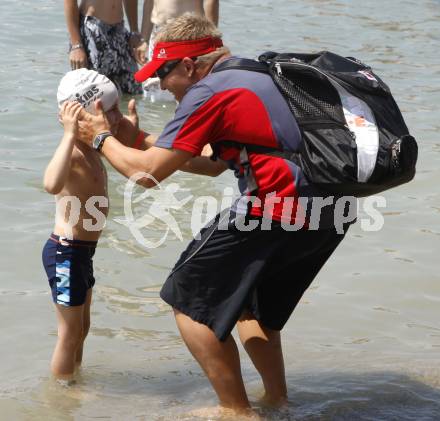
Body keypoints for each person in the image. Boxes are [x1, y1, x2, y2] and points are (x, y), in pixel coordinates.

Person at [75, 13, 350, 416]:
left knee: (188, 302)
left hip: (278, 203)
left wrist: (97, 137)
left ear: (189, 65)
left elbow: (145, 174)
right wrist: (135, 138)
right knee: (250, 307)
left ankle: (236, 412)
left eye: (164, 75)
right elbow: (211, 162)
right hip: (333, 209)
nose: (164, 88)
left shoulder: (209, 92)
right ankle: (277, 402)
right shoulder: (255, 74)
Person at [41, 69, 129, 382]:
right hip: (65, 251)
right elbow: (51, 183)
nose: (117, 117)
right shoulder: (73, 151)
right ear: (82, 120)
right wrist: (67, 134)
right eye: (111, 111)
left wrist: (130, 125)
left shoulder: (93, 147)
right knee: (69, 332)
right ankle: (64, 393)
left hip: (81, 253)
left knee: (83, 327)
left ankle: (75, 377)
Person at [139, 0, 219, 100]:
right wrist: (144, 39)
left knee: (186, 94)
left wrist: (210, 39)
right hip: (158, 33)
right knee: (154, 96)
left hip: (187, 35)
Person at [64, 0, 144, 94]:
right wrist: (76, 45)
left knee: (132, 92)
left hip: (120, 32)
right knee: (98, 95)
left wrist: (134, 30)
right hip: (92, 31)